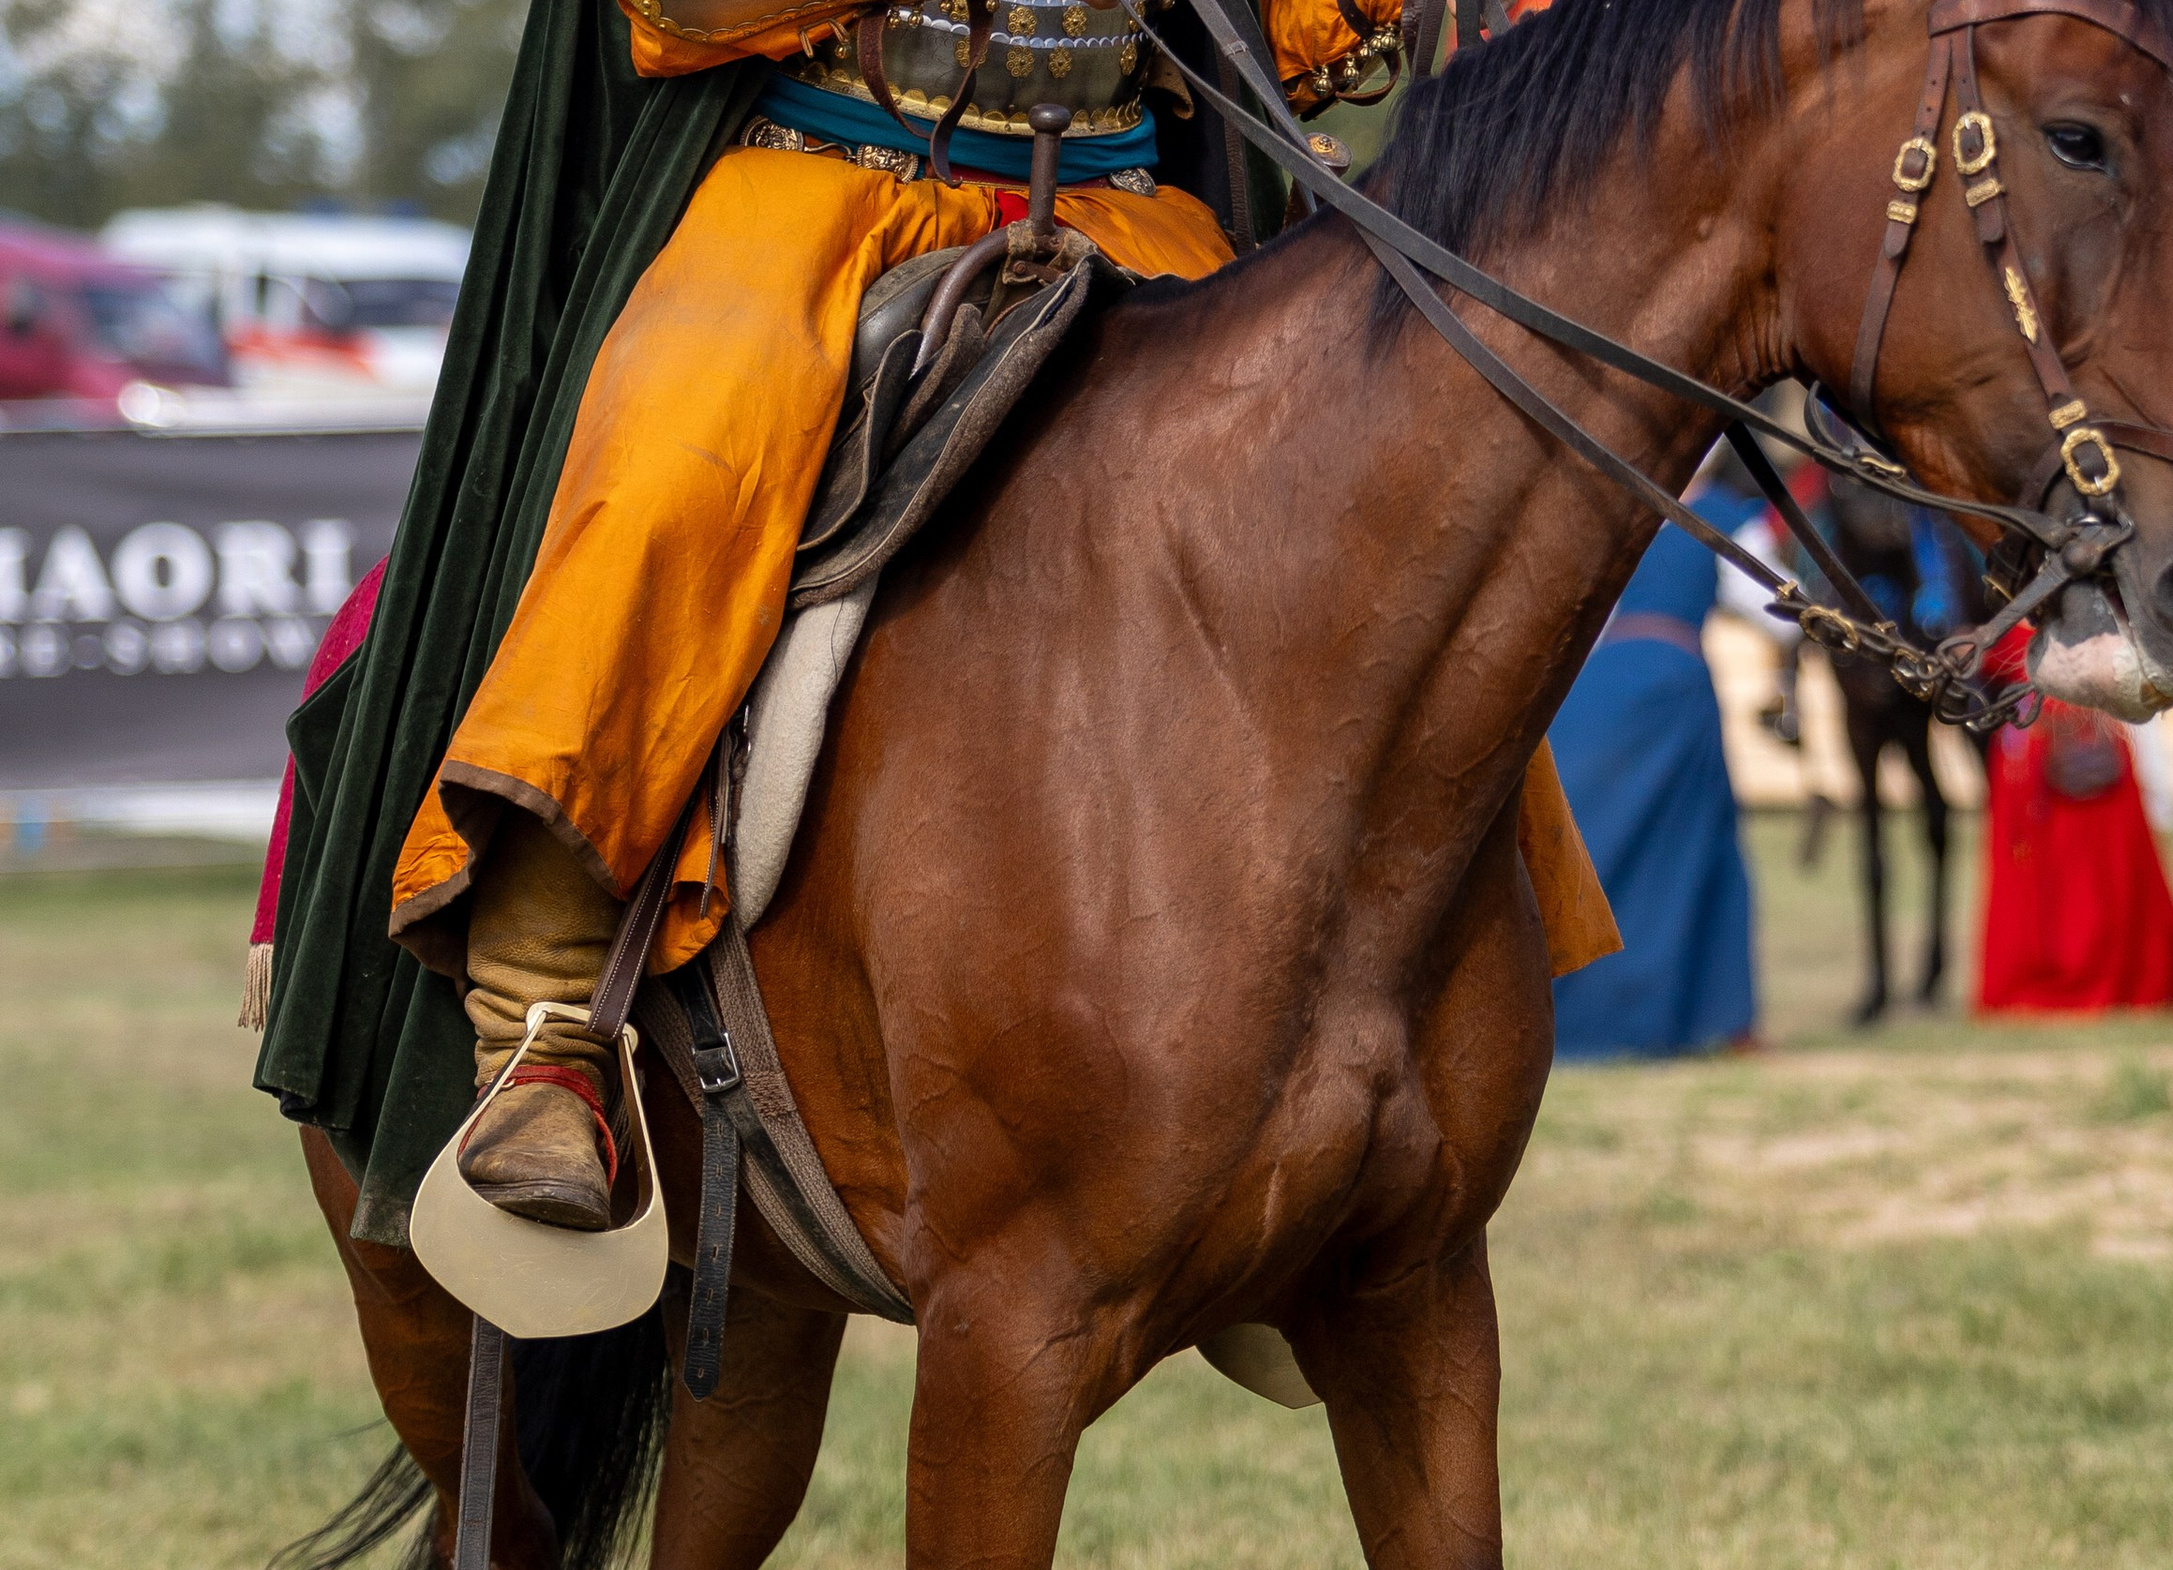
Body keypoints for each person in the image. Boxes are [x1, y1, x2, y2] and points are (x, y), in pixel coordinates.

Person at [252, 0, 1618, 1239]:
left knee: (1357, 493)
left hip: (1128, 208)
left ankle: (1367, 1053)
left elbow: (1296, 42)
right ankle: (544, 1019)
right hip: (827, 186)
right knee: (671, 468)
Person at [1549, 497, 1756, 1056]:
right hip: (1672, 690)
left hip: (1594, 694)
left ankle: (1573, 1013)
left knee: (1596, 847)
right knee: (1695, 849)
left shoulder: (1606, 506)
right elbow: (1768, 603)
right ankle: (1708, 1019)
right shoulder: (1720, 516)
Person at [1973, 630, 2173, 1016]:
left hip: (2084, 727)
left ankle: (2114, 973)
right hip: (2040, 737)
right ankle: (2049, 972)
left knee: (2108, 864)